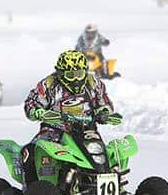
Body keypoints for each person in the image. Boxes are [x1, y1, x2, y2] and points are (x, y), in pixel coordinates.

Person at [20, 50, 122, 182]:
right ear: (61, 74)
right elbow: (31, 104)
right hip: (54, 130)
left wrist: (104, 113)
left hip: (86, 130)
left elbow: (104, 103)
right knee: (30, 152)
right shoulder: (49, 84)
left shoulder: (93, 83)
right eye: (71, 75)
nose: (76, 79)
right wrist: (38, 111)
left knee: (105, 157)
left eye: (79, 74)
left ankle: (111, 182)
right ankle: (31, 193)